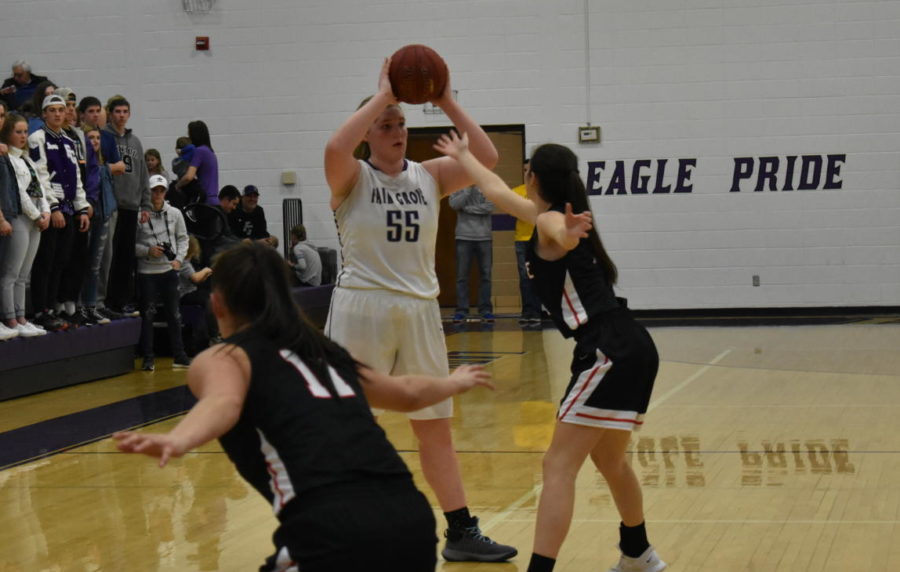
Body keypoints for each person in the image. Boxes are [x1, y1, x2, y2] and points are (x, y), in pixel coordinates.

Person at [113, 241, 496, 571]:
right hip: (411, 524)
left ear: (217, 304)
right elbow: (407, 393)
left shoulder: (226, 357)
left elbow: (224, 402)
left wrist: (180, 439)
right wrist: (452, 382)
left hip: (332, 533)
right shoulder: (326, 353)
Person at [434, 131, 666, 572]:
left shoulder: (550, 221)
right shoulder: (540, 213)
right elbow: (497, 191)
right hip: (631, 344)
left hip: (607, 350)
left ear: (534, 176)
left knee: (557, 465)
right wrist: (464, 157)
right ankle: (638, 552)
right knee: (611, 461)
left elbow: (554, 228)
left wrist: (569, 232)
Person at [323, 57, 516, 562]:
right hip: (360, 308)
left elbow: (489, 157)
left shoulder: (429, 176)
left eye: (402, 123)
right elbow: (334, 146)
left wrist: (445, 98)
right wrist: (383, 96)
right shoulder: (351, 176)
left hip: (419, 312)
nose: (396, 131)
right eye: (385, 125)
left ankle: (460, 531)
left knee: (436, 428)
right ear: (368, 132)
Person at [28, 94, 91, 332]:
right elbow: (40, 175)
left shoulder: (69, 140)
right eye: (52, 110)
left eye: (60, 110)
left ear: (66, 114)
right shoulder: (37, 138)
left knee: (62, 261)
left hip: (68, 209)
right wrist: (52, 207)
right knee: (46, 260)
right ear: (44, 114)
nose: (56, 114)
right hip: (50, 209)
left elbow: (75, 177)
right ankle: (40, 310)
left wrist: (81, 208)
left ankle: (53, 307)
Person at [135, 174, 191, 371]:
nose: (157, 194)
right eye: (154, 190)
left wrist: (178, 259)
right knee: (148, 315)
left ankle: (179, 354)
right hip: (147, 271)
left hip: (168, 270)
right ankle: (148, 357)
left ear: (165, 192)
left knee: (174, 314)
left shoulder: (175, 213)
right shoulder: (140, 215)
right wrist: (147, 251)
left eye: (161, 190)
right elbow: (130, 245)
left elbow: (184, 239)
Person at [104, 95, 150, 317]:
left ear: (129, 114)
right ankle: (108, 301)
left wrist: (146, 205)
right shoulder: (104, 137)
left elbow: (143, 175)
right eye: (117, 112)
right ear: (110, 113)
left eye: (125, 112)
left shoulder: (136, 142)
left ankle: (122, 301)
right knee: (109, 256)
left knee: (125, 257)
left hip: (132, 206)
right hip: (112, 206)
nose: (121, 116)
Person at [449, 184, 495, 323]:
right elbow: (454, 204)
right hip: (463, 236)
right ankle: (462, 310)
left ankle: (485, 310)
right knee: (462, 277)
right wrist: (467, 190)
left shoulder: (487, 185)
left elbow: (490, 206)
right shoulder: (458, 185)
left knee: (485, 276)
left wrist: (467, 209)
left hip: (484, 237)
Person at [511, 159, 543, 326]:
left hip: (540, 238)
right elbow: (518, 211)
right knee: (524, 277)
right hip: (522, 240)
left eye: (529, 170)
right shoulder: (517, 191)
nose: (526, 173)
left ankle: (537, 312)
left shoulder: (543, 192)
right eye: (524, 170)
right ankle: (527, 312)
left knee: (537, 277)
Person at [174, 120, 218, 205]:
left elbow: (189, 177)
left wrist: (177, 185)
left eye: (189, 134)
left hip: (204, 200)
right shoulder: (210, 151)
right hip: (214, 199)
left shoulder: (199, 151)